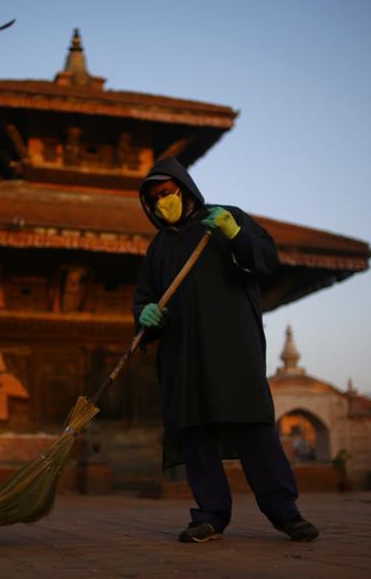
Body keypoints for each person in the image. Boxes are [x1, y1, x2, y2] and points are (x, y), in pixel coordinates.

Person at [133, 157, 320, 544]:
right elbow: (146, 299)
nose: (161, 202)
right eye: (154, 199)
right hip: (183, 354)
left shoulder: (224, 219)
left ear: (184, 190)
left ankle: (286, 512)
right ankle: (210, 516)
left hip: (233, 348)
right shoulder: (159, 248)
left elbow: (265, 261)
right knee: (196, 431)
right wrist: (145, 316)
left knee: (254, 428)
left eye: (167, 193)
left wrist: (236, 235)